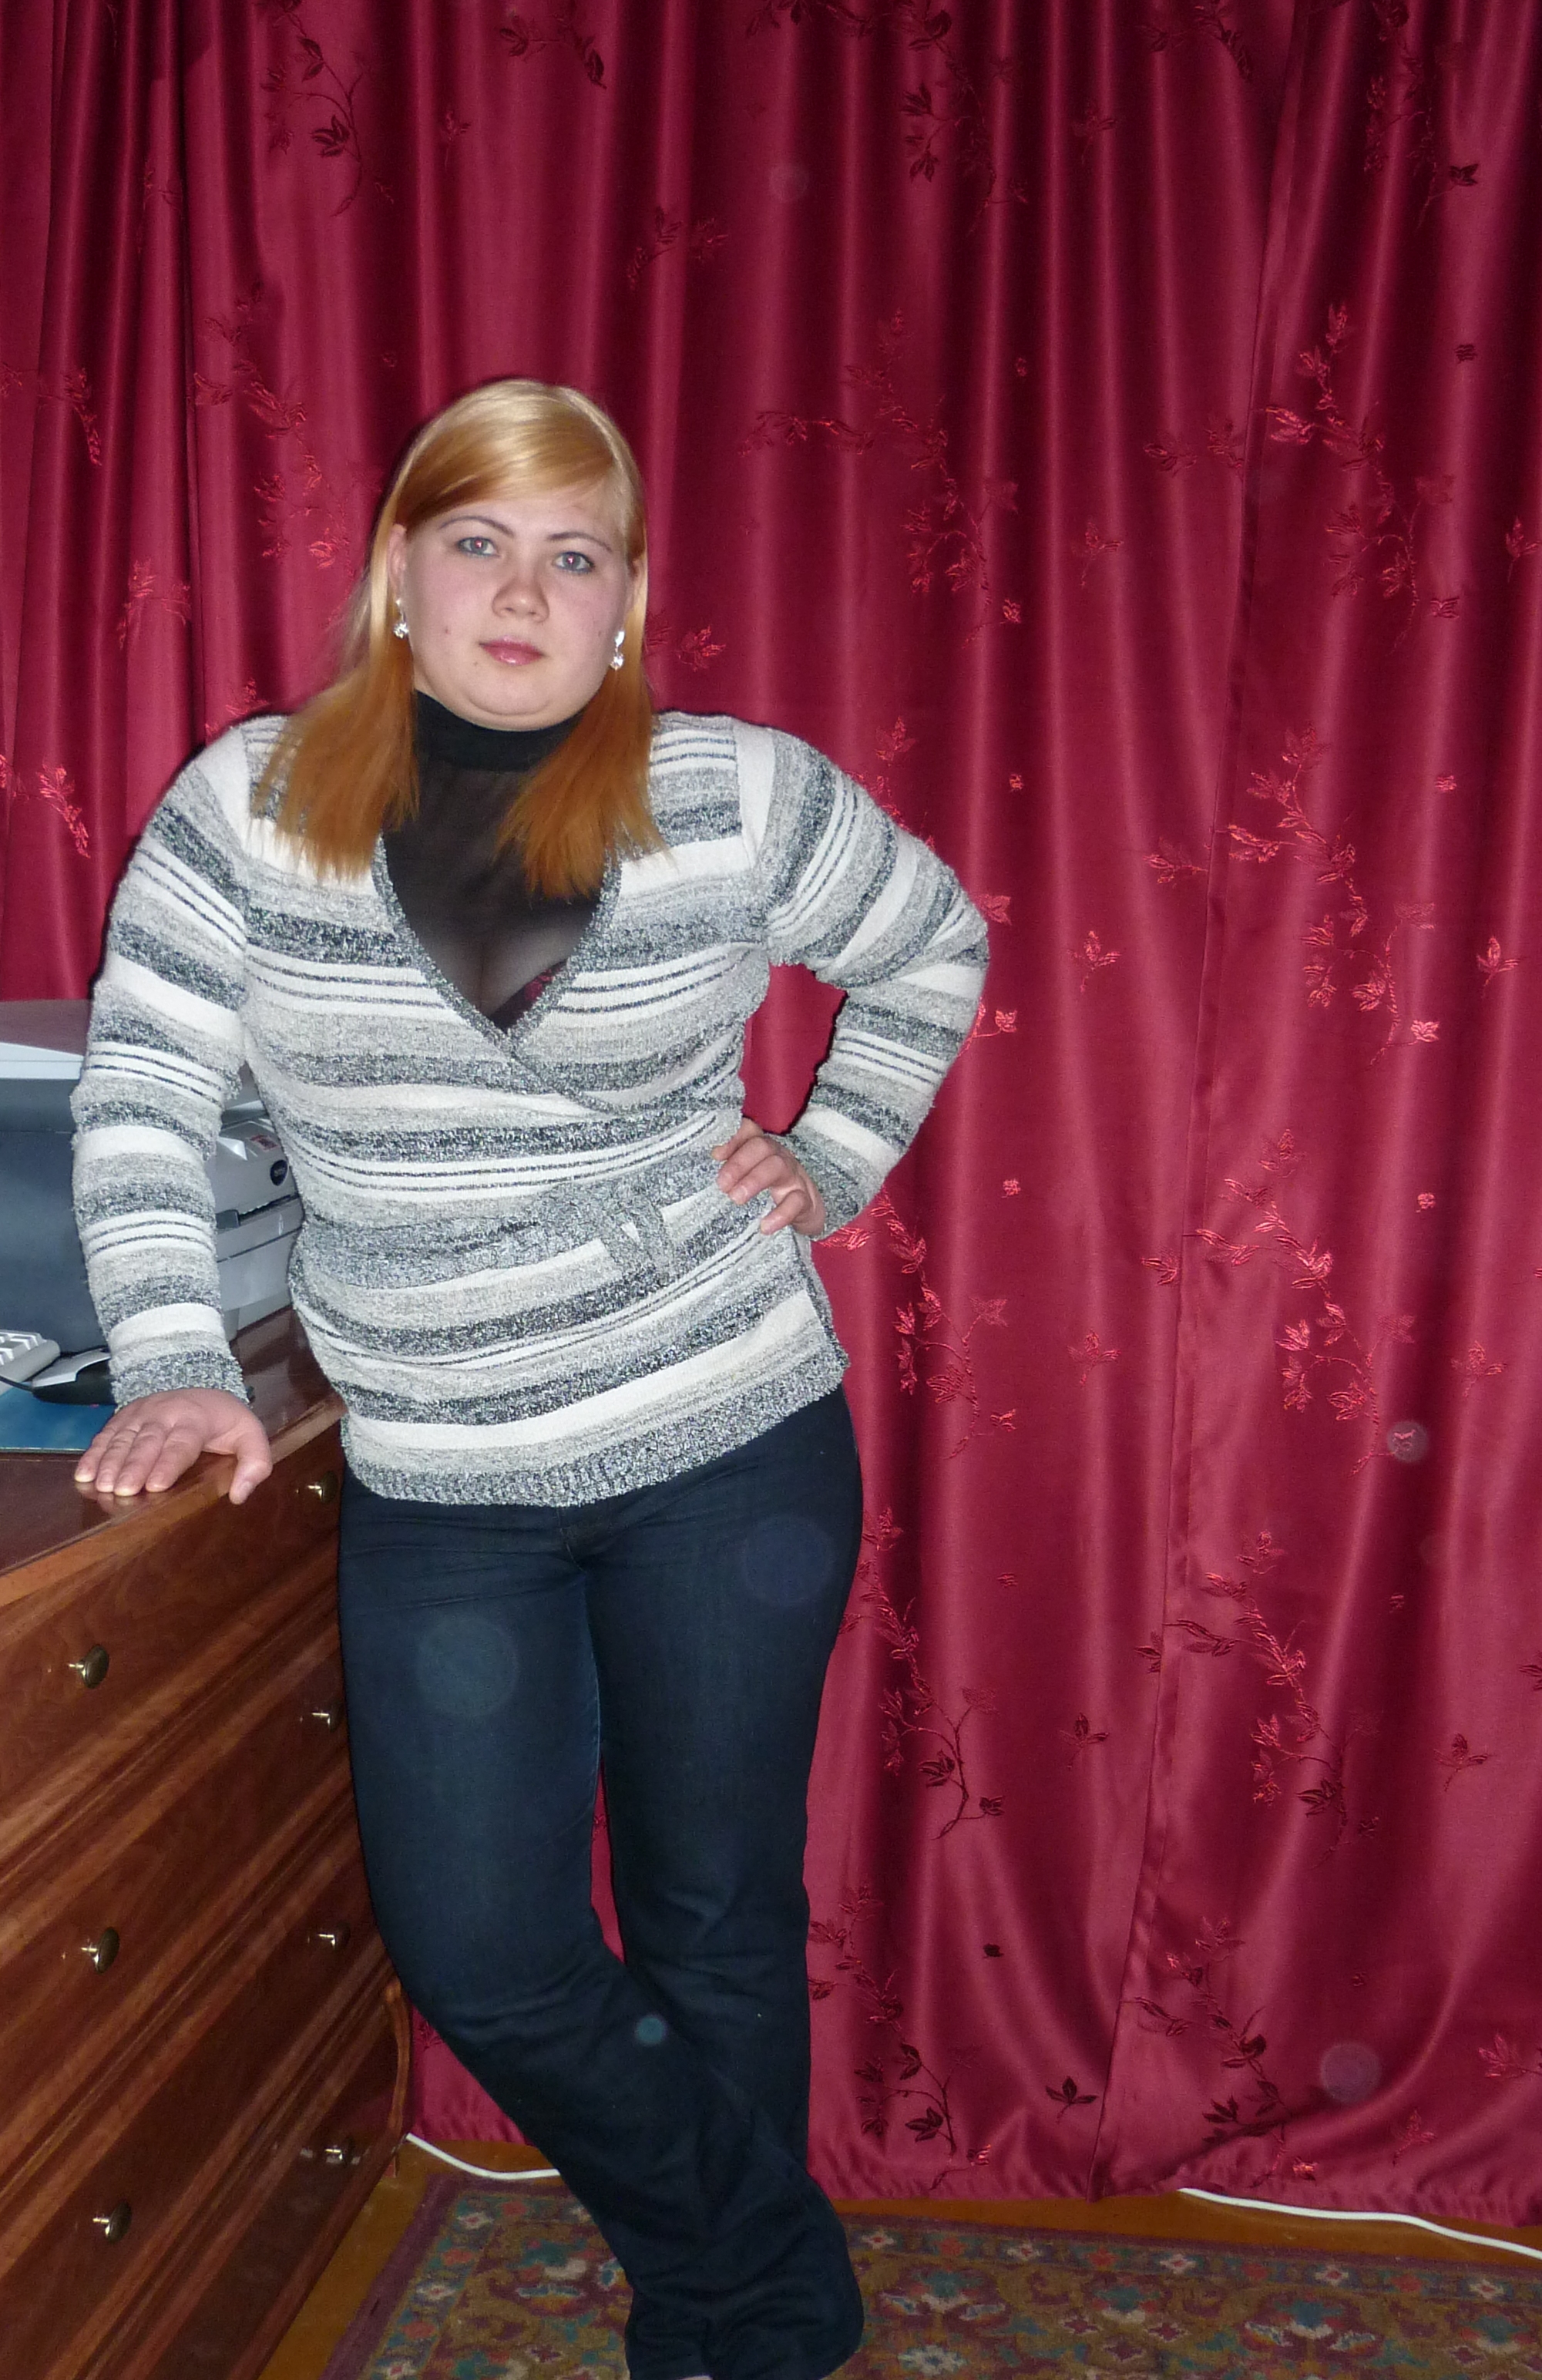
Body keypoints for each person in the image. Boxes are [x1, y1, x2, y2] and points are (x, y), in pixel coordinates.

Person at [72, 379, 987, 2380]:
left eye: (574, 556)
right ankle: (775, 2276)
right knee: (480, 1944)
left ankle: (726, 2335)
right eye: (478, 540)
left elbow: (932, 947)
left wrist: (832, 1155)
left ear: (626, 601)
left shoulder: (734, 798)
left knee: (713, 1914)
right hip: (443, 1481)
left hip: (725, 1437)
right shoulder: (250, 809)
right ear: (398, 573)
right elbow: (141, 1089)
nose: (521, 589)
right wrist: (173, 1358)